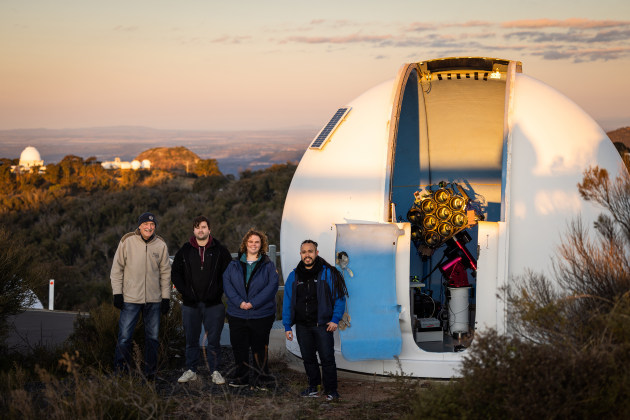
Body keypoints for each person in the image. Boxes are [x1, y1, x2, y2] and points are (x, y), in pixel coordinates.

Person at [282, 239, 348, 401]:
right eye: (304, 252)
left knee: (327, 359)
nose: (307, 255)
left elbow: (339, 298)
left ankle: (331, 391)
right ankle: (314, 388)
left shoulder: (328, 273)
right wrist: (287, 326)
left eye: (310, 251)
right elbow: (288, 301)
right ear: (300, 254)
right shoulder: (294, 275)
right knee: (309, 358)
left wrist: (335, 319)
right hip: (303, 326)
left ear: (316, 253)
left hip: (323, 325)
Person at [171, 216, 232, 384]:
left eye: (204, 227)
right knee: (191, 340)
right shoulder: (185, 250)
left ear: (209, 229)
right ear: (193, 230)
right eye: (197, 227)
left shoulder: (220, 250)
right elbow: (175, 273)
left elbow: (228, 274)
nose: (201, 230)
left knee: (213, 341)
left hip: (214, 304)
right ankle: (191, 370)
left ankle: (215, 371)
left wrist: (218, 291)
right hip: (191, 304)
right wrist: (185, 292)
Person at [111, 212, 171, 379]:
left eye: (152, 225)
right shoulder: (127, 241)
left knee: (152, 339)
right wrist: (117, 293)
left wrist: (166, 298)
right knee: (124, 338)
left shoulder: (161, 245)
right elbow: (117, 270)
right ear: (139, 226)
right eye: (145, 224)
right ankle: (121, 373)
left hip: (154, 300)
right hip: (130, 299)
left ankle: (150, 374)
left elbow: (165, 273)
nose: (149, 227)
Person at [223, 228, 279, 389]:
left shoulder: (268, 265)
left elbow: (272, 286)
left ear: (261, 245)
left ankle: (262, 380)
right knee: (239, 349)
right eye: (251, 242)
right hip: (237, 313)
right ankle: (242, 378)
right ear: (245, 244)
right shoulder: (233, 264)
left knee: (260, 349)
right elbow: (227, 284)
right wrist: (240, 303)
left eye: (257, 242)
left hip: (261, 314)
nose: (253, 244)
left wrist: (253, 303)